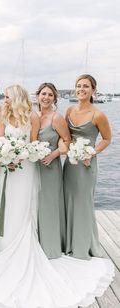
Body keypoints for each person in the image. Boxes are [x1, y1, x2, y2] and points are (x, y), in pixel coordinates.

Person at [0, 85, 114, 308]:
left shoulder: (33, 117)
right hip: (7, 169)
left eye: (8, 97)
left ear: (17, 98)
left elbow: (33, 143)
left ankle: (26, 242)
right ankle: (5, 245)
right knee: (6, 205)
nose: (5, 100)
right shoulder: (4, 115)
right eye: (4, 97)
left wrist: (20, 155)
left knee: (23, 205)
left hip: (26, 169)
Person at [63, 74, 112, 260]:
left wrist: (92, 153)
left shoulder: (98, 114)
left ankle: (83, 245)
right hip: (70, 164)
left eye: (85, 86)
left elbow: (107, 139)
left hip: (86, 165)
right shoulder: (69, 110)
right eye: (78, 86)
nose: (81, 89)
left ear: (93, 90)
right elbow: (66, 137)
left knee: (83, 203)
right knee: (68, 199)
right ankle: (68, 242)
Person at [36, 83, 71, 259]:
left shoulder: (57, 118)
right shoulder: (33, 116)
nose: (46, 97)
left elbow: (67, 141)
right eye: (43, 94)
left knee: (49, 204)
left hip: (50, 167)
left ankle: (50, 246)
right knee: (35, 204)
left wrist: (54, 154)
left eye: (50, 95)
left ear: (55, 99)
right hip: (34, 167)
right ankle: (35, 244)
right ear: (38, 96)